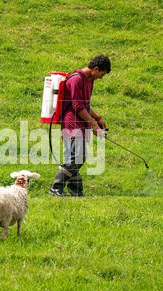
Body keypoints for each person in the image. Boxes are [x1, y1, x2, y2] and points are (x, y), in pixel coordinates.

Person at [49, 54, 111, 197]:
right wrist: (94, 124)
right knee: (77, 157)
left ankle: (76, 191)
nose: (101, 77)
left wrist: (98, 118)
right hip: (71, 124)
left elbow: (85, 104)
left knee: (76, 157)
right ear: (96, 69)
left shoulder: (89, 80)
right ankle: (55, 187)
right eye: (102, 74)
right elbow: (77, 106)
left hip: (81, 124)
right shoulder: (76, 79)